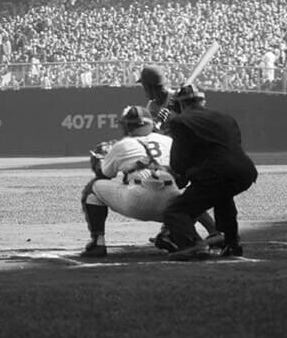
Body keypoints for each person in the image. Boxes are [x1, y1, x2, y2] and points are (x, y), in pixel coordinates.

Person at [81, 105, 195, 258]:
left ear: (127, 126)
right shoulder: (168, 140)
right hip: (172, 205)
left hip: (137, 201)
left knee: (93, 188)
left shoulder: (121, 145)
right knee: (194, 195)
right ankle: (169, 233)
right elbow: (182, 173)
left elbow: (104, 175)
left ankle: (98, 243)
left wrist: (99, 162)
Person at [162, 85, 258, 260]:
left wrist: (182, 175)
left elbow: (178, 163)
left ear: (180, 105)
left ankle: (193, 244)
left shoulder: (179, 122)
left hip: (216, 172)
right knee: (223, 196)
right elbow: (231, 147)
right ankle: (232, 244)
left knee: (174, 211)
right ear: (203, 101)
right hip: (245, 171)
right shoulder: (227, 118)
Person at [134, 64, 219, 251]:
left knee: (176, 195)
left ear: (151, 86)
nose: (143, 90)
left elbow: (197, 119)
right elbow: (155, 134)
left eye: (144, 86)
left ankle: (189, 232)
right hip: (174, 155)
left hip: (192, 153)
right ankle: (179, 230)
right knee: (175, 195)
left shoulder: (179, 98)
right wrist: (159, 125)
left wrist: (175, 116)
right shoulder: (152, 106)